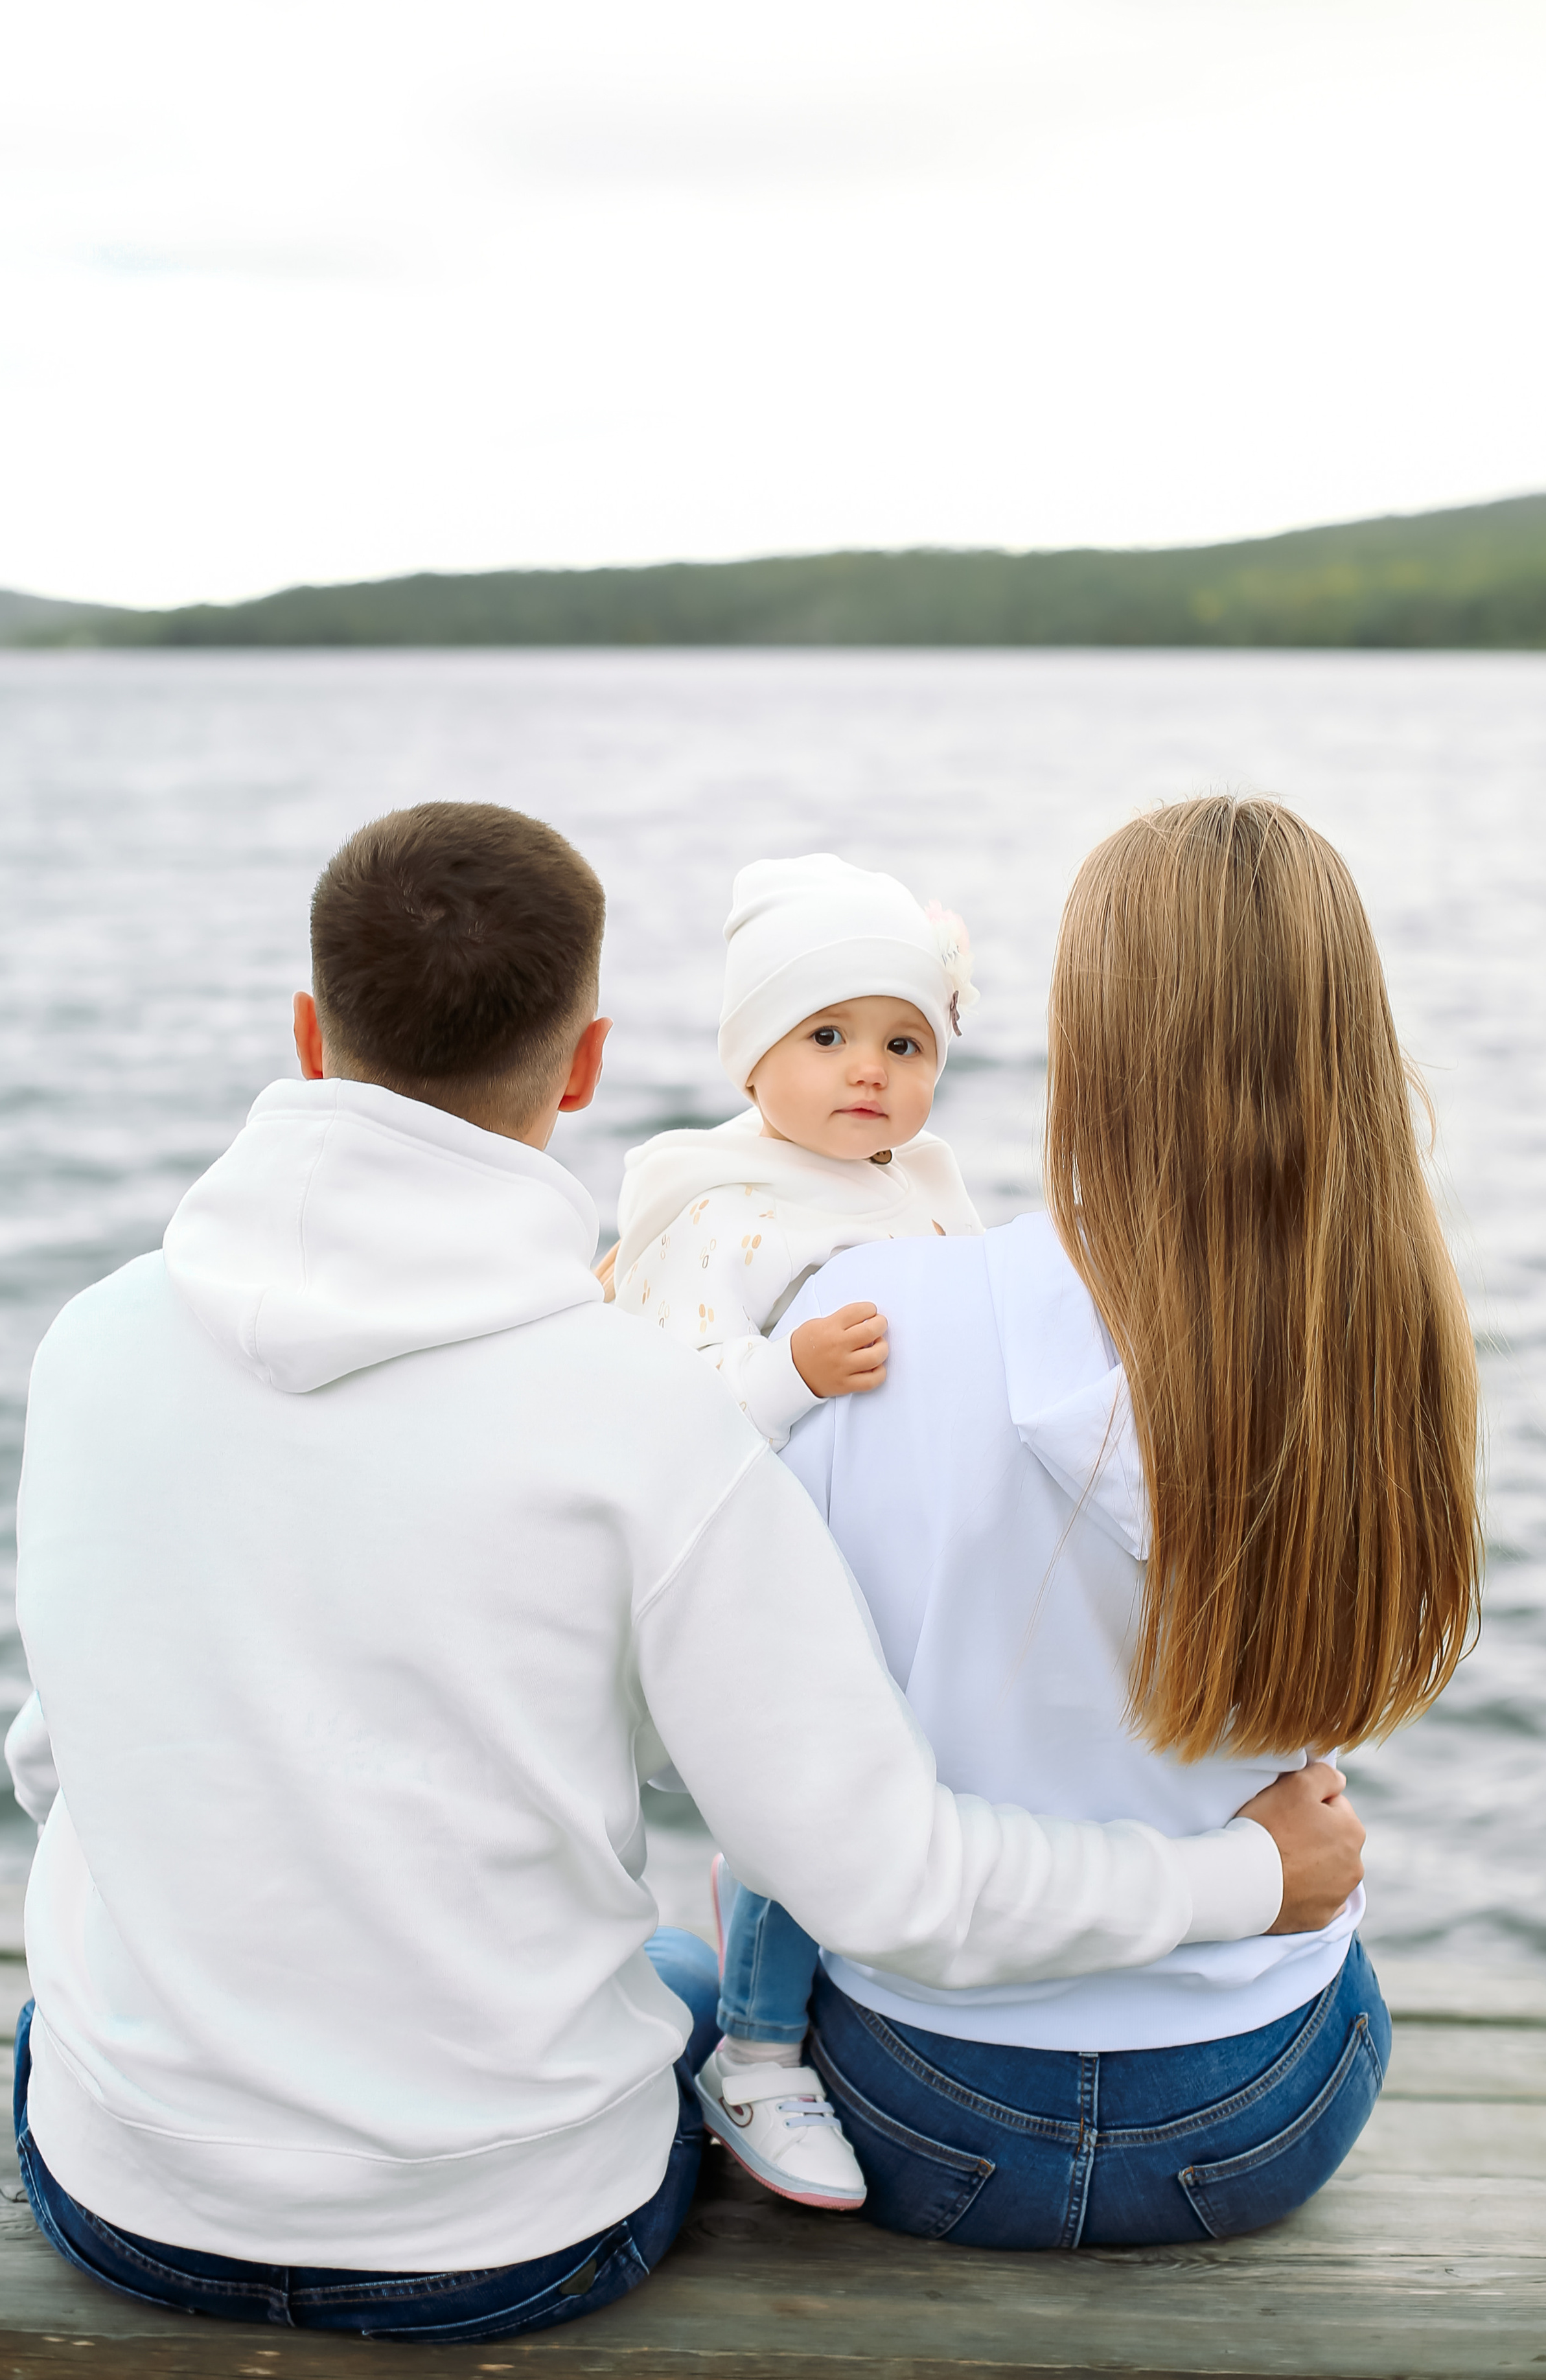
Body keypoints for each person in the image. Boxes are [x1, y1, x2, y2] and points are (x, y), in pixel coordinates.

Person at [6, 802, 1363, 2342]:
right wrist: (1244, 1874)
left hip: (126, 2198)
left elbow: (57, 1769)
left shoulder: (94, 1344)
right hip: (511, 2240)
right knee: (676, 1972)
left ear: (309, 1033)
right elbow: (875, 1877)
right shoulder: (647, 1412)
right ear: (585, 1064)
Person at [772, 796, 1482, 2249]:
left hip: (911, 2105)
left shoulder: (873, 1317)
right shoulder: (1385, 1335)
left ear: (1090, 1036)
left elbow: (749, 1753)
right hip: (1261, 2111)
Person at [609, 853, 983, 2210]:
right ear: (750, 1057)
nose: (867, 1071)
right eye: (824, 1037)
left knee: (911, 1783)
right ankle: (758, 2050)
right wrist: (791, 1369)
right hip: (770, 1580)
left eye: (902, 1042)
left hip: (906, 1563)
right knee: (799, 1803)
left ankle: (870, 2001)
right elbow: (655, 1405)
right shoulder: (714, 1208)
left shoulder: (927, 1187)